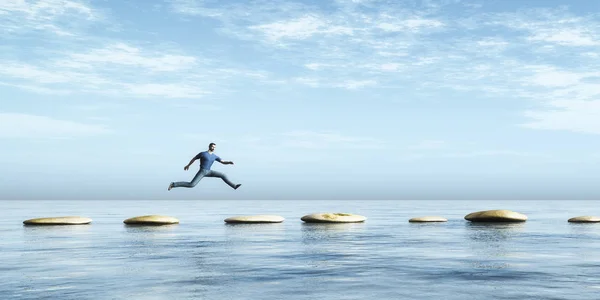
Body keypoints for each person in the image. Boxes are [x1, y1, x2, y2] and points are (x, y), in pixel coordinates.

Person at [168, 143, 241, 191]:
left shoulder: (214, 156)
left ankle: (234, 186)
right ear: (209, 146)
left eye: (215, 147)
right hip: (202, 171)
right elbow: (194, 159)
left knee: (223, 175)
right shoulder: (203, 154)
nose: (214, 148)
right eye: (212, 146)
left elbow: (222, 162)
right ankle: (173, 184)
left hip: (209, 172)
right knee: (192, 185)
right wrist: (188, 165)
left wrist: (229, 162)